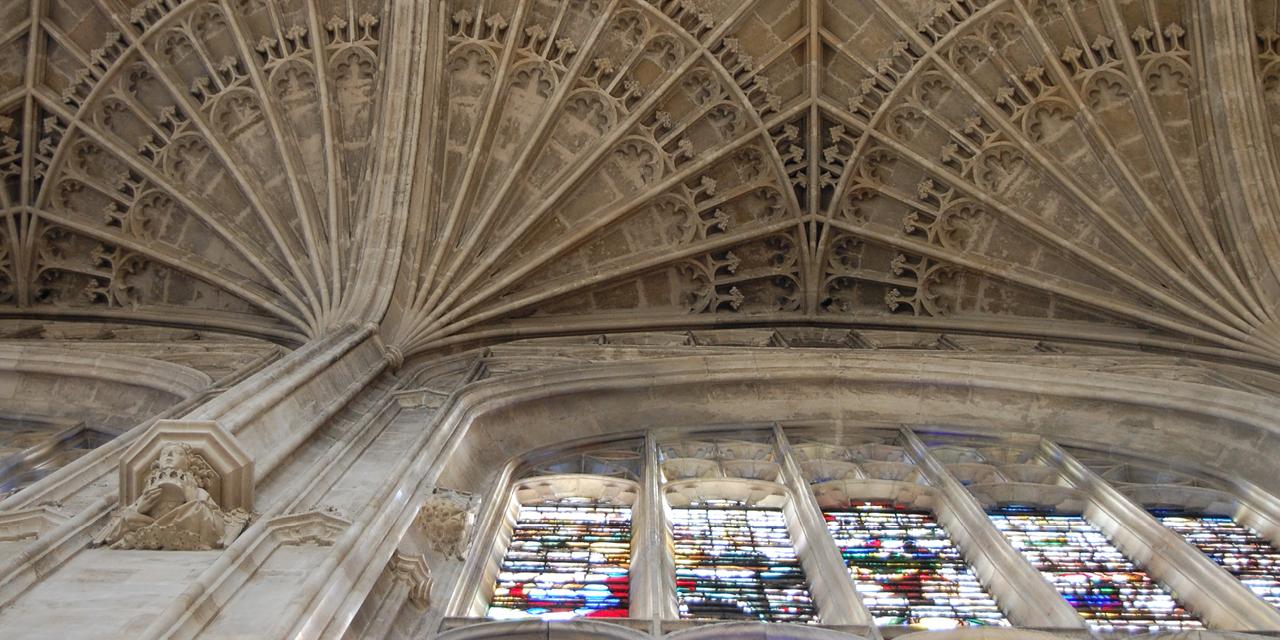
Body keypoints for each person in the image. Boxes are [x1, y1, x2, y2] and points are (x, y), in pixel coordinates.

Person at [93, 442, 247, 550]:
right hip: (150, 525)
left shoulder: (198, 491)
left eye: (177, 453)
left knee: (199, 508)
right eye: (165, 453)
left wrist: (191, 498)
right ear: (158, 462)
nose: (169, 456)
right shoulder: (147, 491)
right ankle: (158, 529)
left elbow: (217, 529)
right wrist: (140, 509)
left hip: (184, 525)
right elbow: (119, 526)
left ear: (188, 463)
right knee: (128, 515)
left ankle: (160, 529)